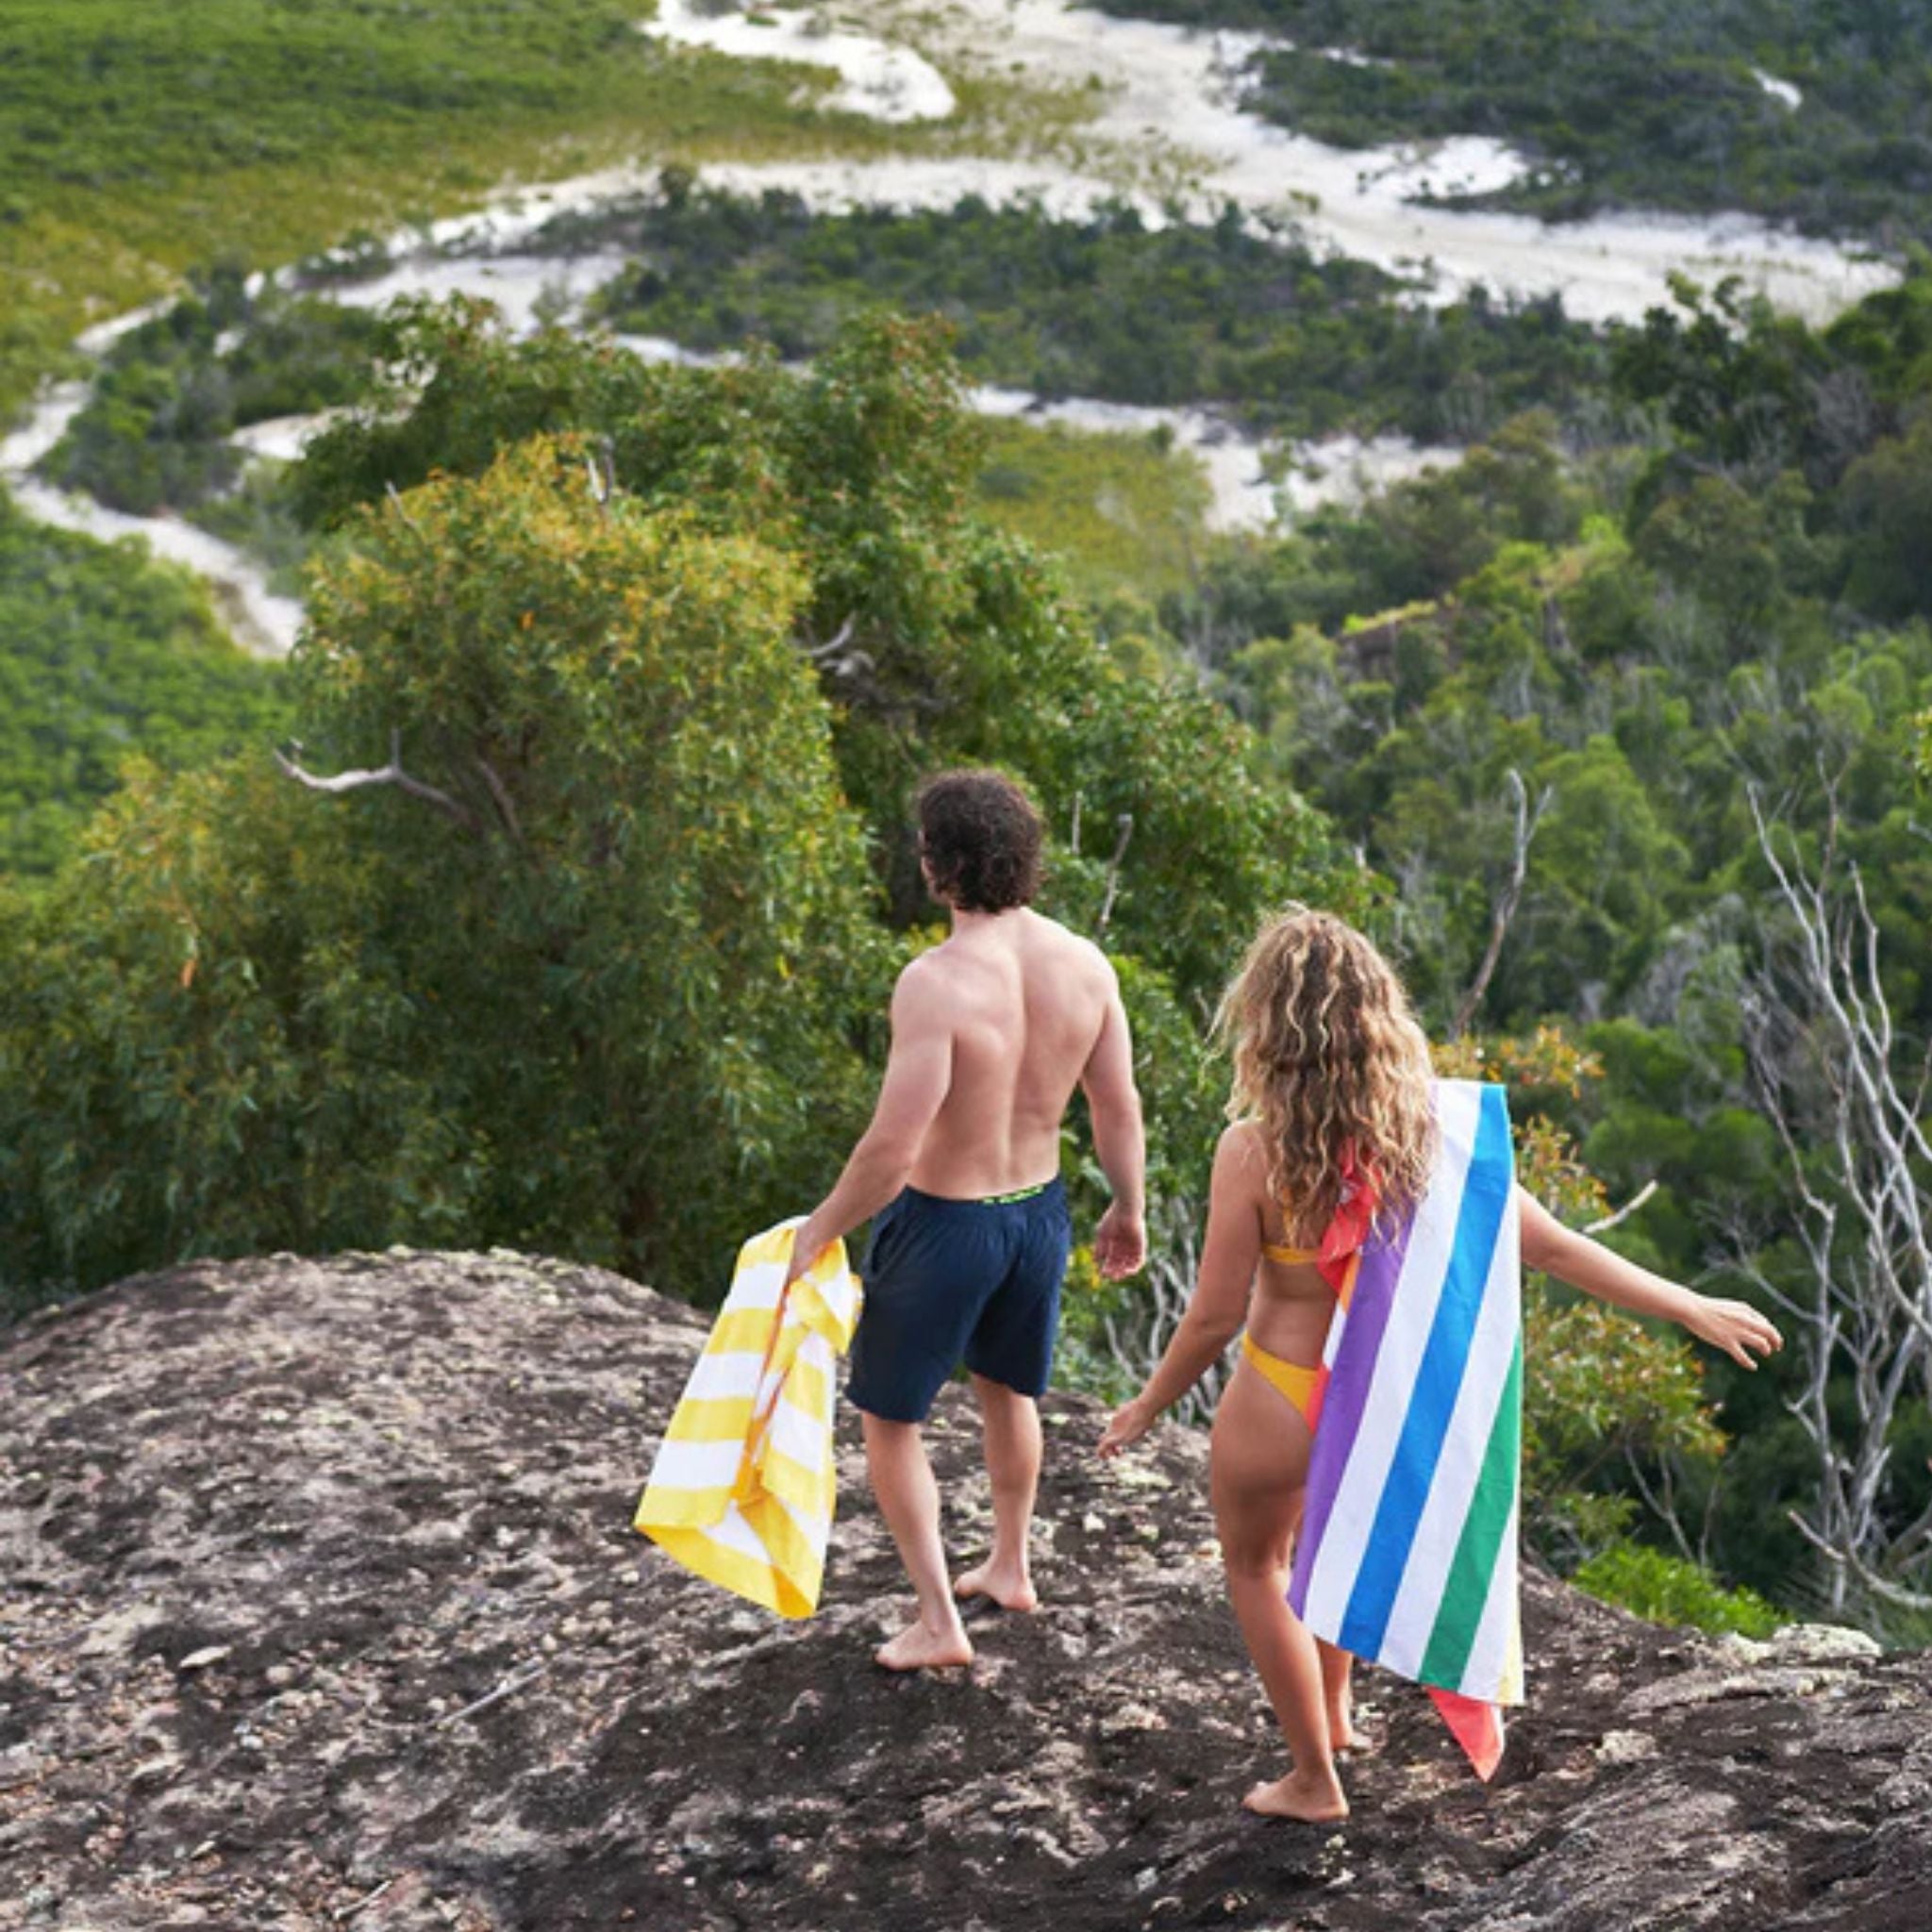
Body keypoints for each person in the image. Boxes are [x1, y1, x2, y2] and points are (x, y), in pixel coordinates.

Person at [1097, 907, 1782, 1822]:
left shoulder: (1250, 1150)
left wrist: (1145, 1404)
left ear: (1264, 1023)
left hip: (1275, 1390)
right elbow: (1552, 1248)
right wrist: (1684, 1302)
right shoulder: (1430, 1135)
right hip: (1373, 1402)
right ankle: (1335, 1715)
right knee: (1322, 1542)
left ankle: (1311, 1776)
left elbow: (1215, 1313)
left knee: (1257, 1566)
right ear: (1379, 1015)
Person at [788, 769, 1147, 1671]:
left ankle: (940, 1622)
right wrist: (1130, 1205)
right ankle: (1011, 1565)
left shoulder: (936, 983)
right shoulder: (1086, 965)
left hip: (947, 1225)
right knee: (1006, 1390)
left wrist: (819, 1229)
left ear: (941, 867)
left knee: (888, 1418)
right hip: (1037, 1216)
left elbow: (891, 1149)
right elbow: (1117, 1106)